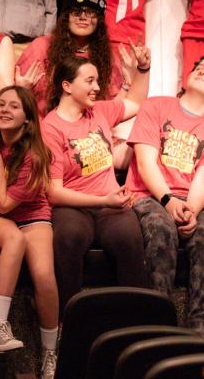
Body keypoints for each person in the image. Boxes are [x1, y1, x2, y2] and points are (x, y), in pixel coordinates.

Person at [126, 54, 204, 335]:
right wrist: (168, 200)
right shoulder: (156, 106)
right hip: (149, 193)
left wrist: (192, 211)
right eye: (200, 67)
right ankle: (158, 325)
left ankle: (199, 328)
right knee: (160, 229)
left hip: (192, 200)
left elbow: (203, 175)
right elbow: (146, 163)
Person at [43, 56, 151, 314]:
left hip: (109, 203)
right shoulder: (50, 128)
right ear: (67, 86)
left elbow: (135, 102)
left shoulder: (99, 110)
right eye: (89, 81)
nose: (96, 87)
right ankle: (67, 321)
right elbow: (55, 193)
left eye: (97, 81)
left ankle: (134, 322)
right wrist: (103, 200)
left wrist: (143, 68)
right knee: (69, 238)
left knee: (129, 239)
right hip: (73, 204)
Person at [0, 86, 60, 379]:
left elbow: (4, 201)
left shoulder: (34, 156)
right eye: (1, 103)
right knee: (13, 237)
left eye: (14, 106)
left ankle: (50, 352)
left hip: (31, 216)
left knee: (44, 275)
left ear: (27, 120)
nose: (4, 109)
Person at [16, 0, 116, 112]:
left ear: (99, 20)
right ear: (66, 17)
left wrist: (138, 73)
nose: (83, 17)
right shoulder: (41, 47)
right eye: (76, 11)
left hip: (89, 126)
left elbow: (113, 105)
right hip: (43, 124)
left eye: (90, 12)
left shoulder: (107, 56)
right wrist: (22, 90)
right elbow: (17, 95)